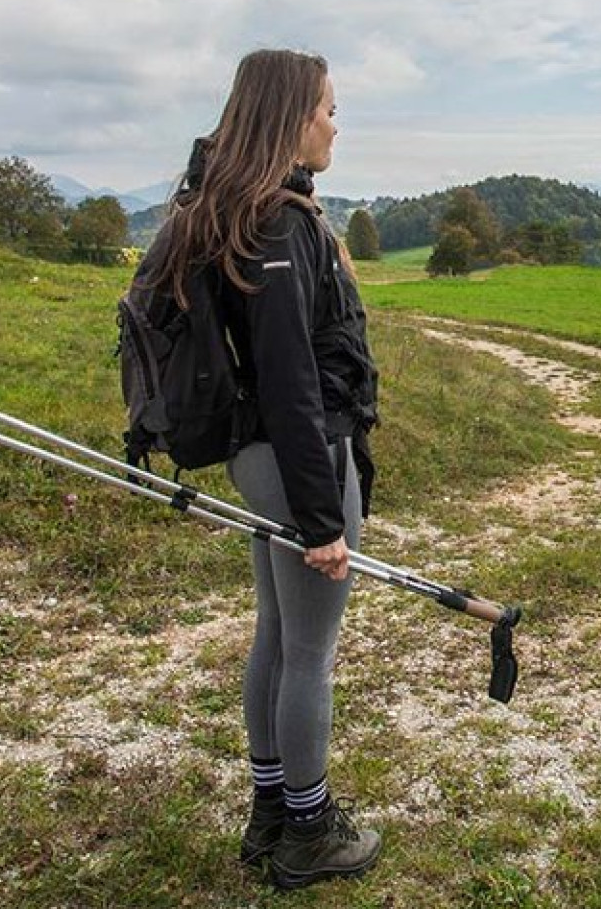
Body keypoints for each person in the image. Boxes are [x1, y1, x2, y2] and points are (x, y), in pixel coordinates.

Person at [143, 49, 381, 890]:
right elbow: (290, 378)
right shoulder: (279, 225)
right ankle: (310, 832)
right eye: (326, 107)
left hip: (265, 458)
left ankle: (271, 809)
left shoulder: (238, 212)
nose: (334, 123)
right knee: (309, 650)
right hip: (298, 457)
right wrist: (322, 518)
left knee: (279, 635)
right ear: (290, 118)